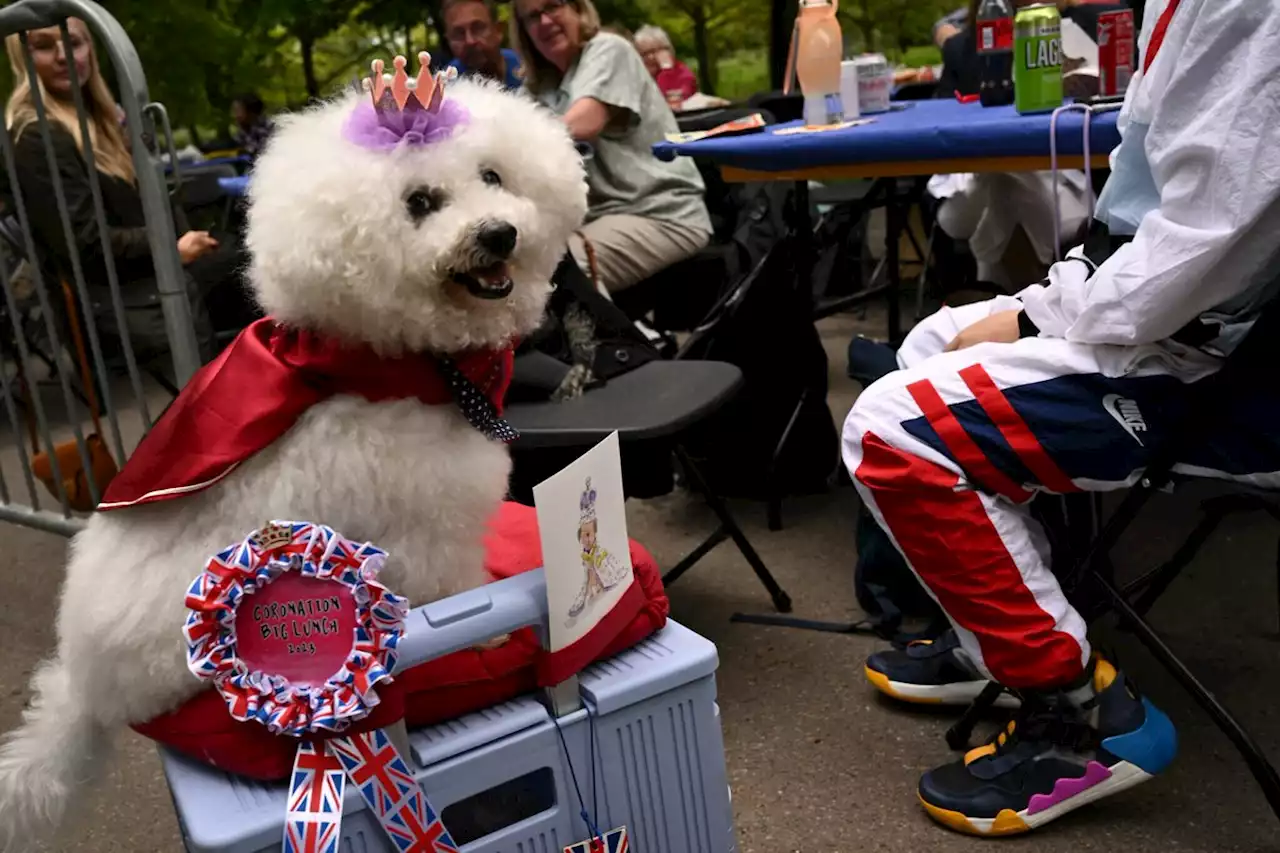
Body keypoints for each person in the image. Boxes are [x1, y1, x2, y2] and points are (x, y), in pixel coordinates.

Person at [847, 0, 1280, 835]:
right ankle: (996, 641)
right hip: (1166, 312)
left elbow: (1206, 246)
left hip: (1211, 361)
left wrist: (1033, 317)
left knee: (890, 430)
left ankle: (1078, 713)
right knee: (927, 341)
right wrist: (1056, 294)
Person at [5, 20, 258, 367]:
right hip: (123, 298)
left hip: (151, 274)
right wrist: (171, 249)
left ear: (90, 50)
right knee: (265, 273)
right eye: (45, 46)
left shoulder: (97, 121)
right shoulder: (38, 136)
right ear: (22, 57)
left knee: (268, 256)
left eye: (74, 43)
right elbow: (87, 245)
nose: (64, 55)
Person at [510, 0, 711, 295]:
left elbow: (585, 121)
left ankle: (617, 342)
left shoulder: (609, 49)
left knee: (556, 268)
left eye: (553, 6)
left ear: (577, 9)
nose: (544, 21)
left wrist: (514, 145)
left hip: (661, 214)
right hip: (598, 220)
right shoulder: (537, 87)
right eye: (531, 17)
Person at [443, 0, 523, 89]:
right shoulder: (445, 87)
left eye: (478, 28)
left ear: (498, 30)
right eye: (459, 33)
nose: (470, 41)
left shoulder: (527, 67)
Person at [633, 25, 698, 108]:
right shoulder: (637, 75)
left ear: (668, 50)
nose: (650, 57)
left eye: (654, 51)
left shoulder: (683, 74)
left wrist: (666, 71)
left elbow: (663, 101)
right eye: (644, 54)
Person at [230, 92, 274, 159]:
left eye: (237, 111)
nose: (235, 115)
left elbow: (259, 153)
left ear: (251, 111)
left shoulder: (267, 128)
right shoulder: (243, 131)